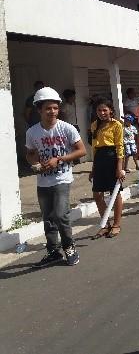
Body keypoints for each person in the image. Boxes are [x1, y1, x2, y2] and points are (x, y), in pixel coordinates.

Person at [25, 87, 87, 267]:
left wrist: (58, 160)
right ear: (39, 110)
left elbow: (81, 151)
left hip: (62, 178)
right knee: (48, 218)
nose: (52, 111)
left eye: (55, 108)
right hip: (43, 181)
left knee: (60, 215)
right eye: (47, 108)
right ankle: (53, 252)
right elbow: (30, 153)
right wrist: (34, 162)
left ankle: (69, 247)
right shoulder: (32, 132)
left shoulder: (66, 128)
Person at [90, 98, 125, 239]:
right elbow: (94, 148)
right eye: (99, 110)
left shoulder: (116, 125)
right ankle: (105, 225)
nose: (102, 113)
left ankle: (116, 225)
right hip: (99, 159)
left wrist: (119, 168)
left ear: (111, 110)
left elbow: (120, 147)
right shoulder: (94, 125)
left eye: (105, 110)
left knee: (115, 193)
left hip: (112, 158)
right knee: (97, 194)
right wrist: (93, 168)